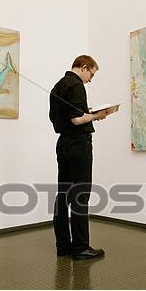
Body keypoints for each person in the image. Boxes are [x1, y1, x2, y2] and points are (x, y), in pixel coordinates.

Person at [49, 55, 109, 261]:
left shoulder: (58, 86)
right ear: (84, 67)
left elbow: (59, 117)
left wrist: (86, 112)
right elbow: (76, 120)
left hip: (63, 143)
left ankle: (63, 246)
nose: (90, 79)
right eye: (91, 74)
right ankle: (81, 248)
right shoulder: (76, 85)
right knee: (81, 196)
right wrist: (96, 116)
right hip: (78, 143)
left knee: (64, 194)